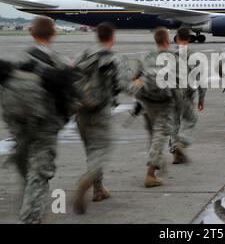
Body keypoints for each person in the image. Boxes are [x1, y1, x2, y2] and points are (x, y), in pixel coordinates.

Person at [1, 17, 76, 224]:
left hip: (17, 122)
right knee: (40, 172)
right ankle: (31, 217)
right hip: (45, 124)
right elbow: (74, 94)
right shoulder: (60, 61)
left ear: (30, 31)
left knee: (25, 163)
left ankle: (32, 202)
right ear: (54, 33)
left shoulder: (15, 59)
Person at [73, 23, 142, 214]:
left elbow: (70, 74)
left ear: (97, 37)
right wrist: (138, 84)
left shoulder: (83, 54)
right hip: (100, 110)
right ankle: (87, 181)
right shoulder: (115, 57)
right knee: (100, 150)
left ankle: (98, 189)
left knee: (90, 148)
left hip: (80, 110)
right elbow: (124, 85)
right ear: (112, 37)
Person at [134, 27, 178, 188]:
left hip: (146, 103)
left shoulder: (145, 56)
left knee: (153, 135)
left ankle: (157, 161)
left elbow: (134, 79)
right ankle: (150, 174)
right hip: (164, 103)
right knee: (160, 136)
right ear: (167, 40)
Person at [171, 28, 206, 164]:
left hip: (170, 94)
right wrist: (201, 99)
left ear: (176, 38)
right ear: (189, 39)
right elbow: (201, 80)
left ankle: (175, 152)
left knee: (174, 123)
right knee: (191, 120)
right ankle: (180, 142)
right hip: (186, 95)